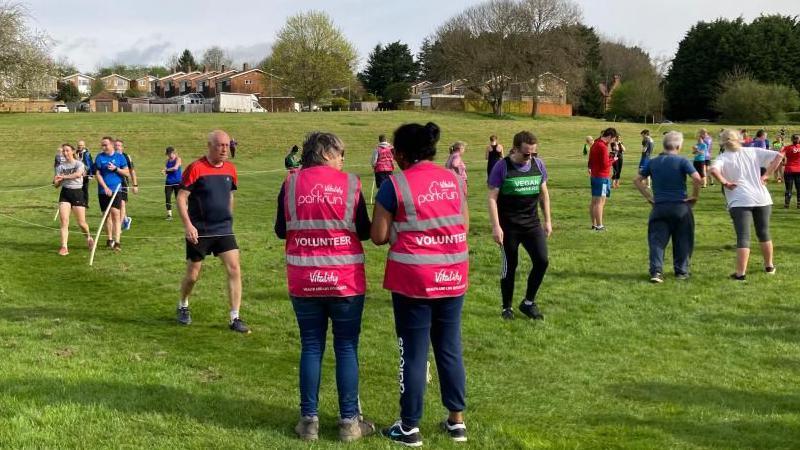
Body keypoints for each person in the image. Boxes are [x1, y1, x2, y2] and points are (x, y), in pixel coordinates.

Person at [371, 122, 469, 446]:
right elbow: (464, 223)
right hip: (453, 273)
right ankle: (457, 422)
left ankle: (409, 426)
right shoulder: (454, 179)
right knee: (449, 347)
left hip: (414, 278)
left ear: (399, 154)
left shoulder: (394, 184)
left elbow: (379, 236)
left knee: (413, 352)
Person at [274, 132, 375, 442]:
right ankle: (349, 423)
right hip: (344, 281)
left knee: (311, 346)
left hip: (304, 280)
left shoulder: (290, 184)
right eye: (339, 152)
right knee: (346, 347)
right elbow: (365, 231)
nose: (343, 158)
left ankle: (308, 422)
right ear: (324, 153)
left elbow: (281, 230)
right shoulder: (351, 184)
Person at [176, 130, 250, 333]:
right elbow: (182, 198)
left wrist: (229, 217)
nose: (225, 149)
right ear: (209, 146)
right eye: (220, 145)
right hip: (199, 231)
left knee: (234, 269)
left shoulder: (230, 169)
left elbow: (230, 196)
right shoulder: (196, 168)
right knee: (193, 275)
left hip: (224, 229)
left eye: (227, 145)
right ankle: (183, 304)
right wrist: (188, 225)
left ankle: (235, 317)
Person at [487, 131, 551, 320]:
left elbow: (544, 194)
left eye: (533, 153)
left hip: (532, 224)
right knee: (510, 266)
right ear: (514, 149)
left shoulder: (538, 165)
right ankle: (507, 307)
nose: (529, 157)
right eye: (526, 153)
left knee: (542, 261)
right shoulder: (502, 167)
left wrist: (547, 220)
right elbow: (492, 197)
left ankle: (528, 303)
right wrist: (496, 226)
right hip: (509, 227)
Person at [709, 129, 783, 280]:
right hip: (762, 198)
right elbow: (779, 155)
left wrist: (725, 183)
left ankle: (740, 273)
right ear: (740, 139)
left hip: (739, 200)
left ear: (723, 142)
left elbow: (713, 170)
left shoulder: (723, 157)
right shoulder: (753, 151)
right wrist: (767, 174)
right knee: (764, 233)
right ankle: (769, 266)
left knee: (743, 237)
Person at [633, 131, 703, 283]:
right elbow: (697, 179)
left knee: (657, 241)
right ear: (678, 146)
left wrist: (649, 197)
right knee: (683, 239)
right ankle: (681, 271)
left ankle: (656, 272)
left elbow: (637, 180)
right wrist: (695, 196)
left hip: (660, 207)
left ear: (664, 145)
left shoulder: (653, 162)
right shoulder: (683, 161)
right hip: (680, 206)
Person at [53, 144, 93, 255]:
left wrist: (63, 177)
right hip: (65, 193)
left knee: (81, 223)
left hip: (77, 193)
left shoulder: (79, 164)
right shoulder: (60, 167)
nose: (65, 153)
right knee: (64, 221)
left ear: (73, 151)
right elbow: (56, 184)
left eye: (67, 151)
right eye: (63, 151)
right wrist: (57, 181)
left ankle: (89, 237)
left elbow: (78, 174)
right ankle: (64, 247)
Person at [94, 136, 129, 251]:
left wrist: (116, 169)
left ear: (112, 145)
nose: (103, 147)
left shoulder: (120, 157)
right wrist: (105, 187)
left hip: (116, 189)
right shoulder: (99, 157)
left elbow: (127, 172)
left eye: (105, 145)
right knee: (106, 215)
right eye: (102, 145)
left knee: (116, 213)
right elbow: (97, 174)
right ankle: (109, 240)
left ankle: (117, 242)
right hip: (103, 191)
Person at [588, 128, 618, 231]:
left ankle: (594, 224)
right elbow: (605, 164)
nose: (613, 141)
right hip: (602, 177)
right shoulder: (603, 147)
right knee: (600, 202)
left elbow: (591, 160)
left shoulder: (595, 144)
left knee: (594, 201)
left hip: (595, 176)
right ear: (609, 136)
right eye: (613, 139)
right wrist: (613, 159)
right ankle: (600, 226)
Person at [114, 139, 138, 231]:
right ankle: (126, 220)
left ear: (122, 147)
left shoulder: (126, 156)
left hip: (123, 183)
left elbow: (132, 171)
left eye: (119, 145)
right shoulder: (111, 156)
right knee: (117, 204)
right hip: (112, 183)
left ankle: (119, 226)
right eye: (115, 145)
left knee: (122, 203)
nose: (117, 147)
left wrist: (135, 185)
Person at [161, 146, 182, 220]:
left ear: (173, 153)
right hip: (169, 182)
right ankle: (169, 215)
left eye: (169, 154)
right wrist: (164, 172)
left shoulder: (178, 159)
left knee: (179, 198)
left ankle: (184, 213)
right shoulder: (167, 161)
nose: (169, 155)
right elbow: (167, 170)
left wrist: (166, 170)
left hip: (177, 182)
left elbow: (175, 168)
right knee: (167, 197)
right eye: (168, 154)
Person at [781, 134, 800, 208]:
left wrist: (783, 162)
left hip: (789, 169)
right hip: (799, 170)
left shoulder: (787, 147)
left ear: (792, 140)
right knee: (799, 188)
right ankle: (799, 204)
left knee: (788, 188)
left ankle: (787, 204)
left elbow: (781, 156)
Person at [76, 140, 94, 208]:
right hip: (77, 174)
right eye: (79, 145)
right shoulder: (76, 153)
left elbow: (90, 164)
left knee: (85, 189)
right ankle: (78, 202)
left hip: (85, 174)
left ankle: (85, 203)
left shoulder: (87, 154)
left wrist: (90, 174)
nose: (79, 146)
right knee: (78, 188)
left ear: (84, 146)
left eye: (81, 145)